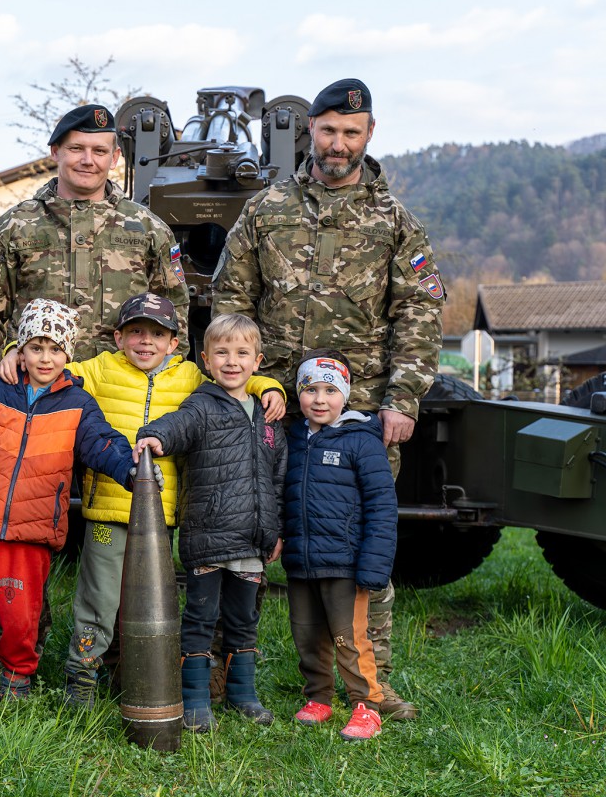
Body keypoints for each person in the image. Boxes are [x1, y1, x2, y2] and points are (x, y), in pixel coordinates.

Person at [212, 78, 442, 719]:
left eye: (351, 132)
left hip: (357, 417)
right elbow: (231, 300)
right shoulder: (266, 211)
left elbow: (419, 314)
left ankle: (372, 682)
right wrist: (246, 383)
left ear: (369, 135)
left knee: (361, 545)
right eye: (329, 130)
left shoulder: (395, 222)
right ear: (309, 130)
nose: (338, 143)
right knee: (244, 535)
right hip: (270, 408)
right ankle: (230, 666)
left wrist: (401, 399)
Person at [0, 293, 285, 707]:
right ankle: (82, 674)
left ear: (174, 344)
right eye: (136, 332)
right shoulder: (99, 369)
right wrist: (13, 351)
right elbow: (49, 363)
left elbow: (234, 380)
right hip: (108, 510)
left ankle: (140, 673)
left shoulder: (189, 377)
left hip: (160, 517)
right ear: (118, 337)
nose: (146, 341)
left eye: (157, 334)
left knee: (150, 604)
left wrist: (268, 385)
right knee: (98, 599)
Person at [0, 298, 134, 707]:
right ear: (20, 350)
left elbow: (102, 444)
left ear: (68, 355)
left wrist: (132, 470)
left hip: (33, 529)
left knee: (21, 615)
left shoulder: (78, 404)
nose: (45, 358)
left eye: (55, 349)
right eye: (36, 347)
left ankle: (16, 678)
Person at [134, 314, 286, 732]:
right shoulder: (201, 405)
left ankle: (243, 694)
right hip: (208, 536)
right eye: (221, 353)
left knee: (244, 621)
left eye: (242, 353)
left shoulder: (268, 417)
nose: (231, 361)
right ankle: (196, 699)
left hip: (252, 540)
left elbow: (278, 479)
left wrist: (277, 530)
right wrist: (155, 435)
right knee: (200, 620)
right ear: (206, 359)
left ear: (257, 361)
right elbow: (177, 425)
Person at [0, 104, 190, 386]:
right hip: (34, 389)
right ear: (55, 152)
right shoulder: (15, 226)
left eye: (99, 151)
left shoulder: (148, 228)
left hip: (122, 391)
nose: (88, 160)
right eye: (76, 149)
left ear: (115, 158)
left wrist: (163, 386)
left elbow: (174, 310)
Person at [284, 351, 397, 741]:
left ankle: (367, 706)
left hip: (346, 562)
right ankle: (319, 697)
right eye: (310, 390)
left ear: (345, 395)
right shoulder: (295, 438)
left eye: (330, 391)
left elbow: (382, 505)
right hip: (302, 559)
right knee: (307, 635)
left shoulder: (361, 441)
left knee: (349, 638)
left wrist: (374, 565)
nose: (320, 399)